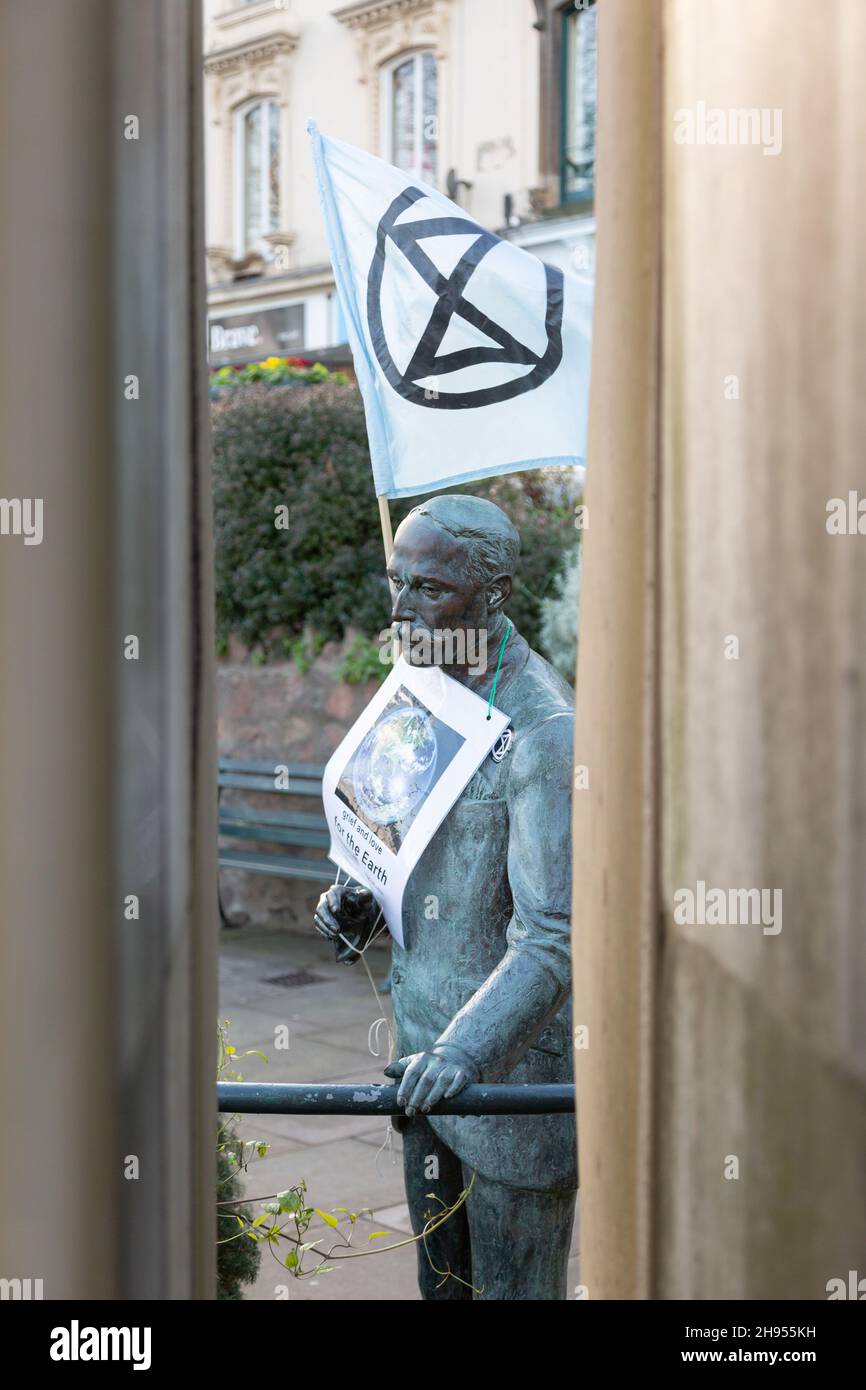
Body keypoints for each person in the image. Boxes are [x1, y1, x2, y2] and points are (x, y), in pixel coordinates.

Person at [314, 493, 576, 1299]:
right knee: (442, 1293)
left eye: (427, 588)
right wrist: (358, 893)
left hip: (504, 1086)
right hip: (418, 1068)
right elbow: (396, 832)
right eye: (397, 582)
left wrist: (464, 1053)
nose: (400, 609)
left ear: (493, 594)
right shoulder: (418, 682)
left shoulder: (542, 732)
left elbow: (553, 939)